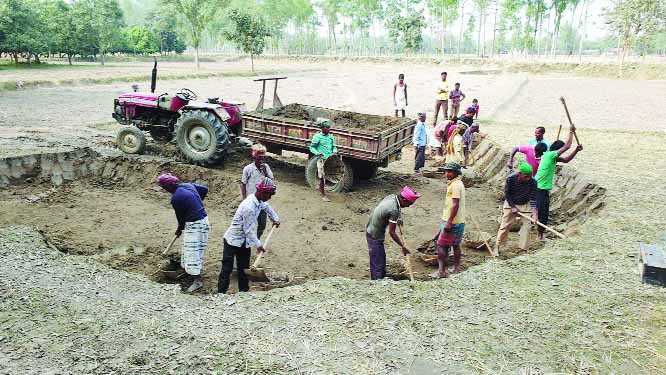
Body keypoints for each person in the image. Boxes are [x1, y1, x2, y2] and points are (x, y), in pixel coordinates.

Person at [218, 177, 280, 294]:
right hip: (232, 240)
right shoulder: (249, 207)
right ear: (261, 192)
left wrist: (275, 219)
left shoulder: (259, 200)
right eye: (269, 194)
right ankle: (220, 294)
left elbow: (267, 207)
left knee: (244, 269)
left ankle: (243, 293)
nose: (270, 197)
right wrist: (259, 245)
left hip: (244, 242)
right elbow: (248, 230)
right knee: (227, 269)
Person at [157, 173, 210, 293]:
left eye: (164, 187)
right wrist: (196, 203)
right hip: (203, 220)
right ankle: (188, 271)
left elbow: (181, 219)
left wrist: (179, 229)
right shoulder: (187, 185)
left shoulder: (176, 198)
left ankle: (197, 281)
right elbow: (205, 190)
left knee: (192, 251)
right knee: (190, 248)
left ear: (168, 186)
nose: (164, 190)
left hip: (195, 225)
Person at [534, 125, 583, 241]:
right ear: (557, 151)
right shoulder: (550, 155)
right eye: (559, 152)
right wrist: (571, 132)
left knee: (543, 213)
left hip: (541, 188)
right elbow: (567, 146)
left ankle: (540, 233)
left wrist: (576, 150)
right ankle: (540, 236)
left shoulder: (549, 156)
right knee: (542, 213)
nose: (560, 154)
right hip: (539, 189)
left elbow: (566, 160)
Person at [366, 186, 421, 280]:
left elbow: (397, 209)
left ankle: (382, 277)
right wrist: (403, 246)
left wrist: (398, 218)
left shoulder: (392, 197)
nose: (408, 206)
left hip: (372, 229)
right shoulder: (394, 210)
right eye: (409, 204)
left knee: (381, 257)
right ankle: (376, 282)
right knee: (377, 260)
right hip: (374, 234)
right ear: (404, 200)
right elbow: (392, 232)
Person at [493, 162, 538, 256]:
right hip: (511, 203)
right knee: (504, 225)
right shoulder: (510, 179)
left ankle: (523, 249)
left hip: (525, 204)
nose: (528, 179)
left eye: (529, 176)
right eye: (526, 176)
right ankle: (497, 246)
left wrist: (534, 214)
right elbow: (507, 194)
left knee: (527, 226)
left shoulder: (533, 182)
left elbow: (533, 198)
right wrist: (513, 207)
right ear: (520, 174)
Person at [433, 162, 466, 278]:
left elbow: (455, 205)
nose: (447, 173)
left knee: (442, 246)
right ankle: (455, 269)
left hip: (452, 221)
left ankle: (442, 271)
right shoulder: (457, 183)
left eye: (450, 171)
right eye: (446, 171)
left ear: (456, 173)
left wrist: (449, 222)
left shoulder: (455, 186)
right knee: (455, 245)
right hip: (457, 220)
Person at [241, 143, 274, 240]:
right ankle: (247, 240)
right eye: (259, 158)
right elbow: (243, 184)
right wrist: (244, 199)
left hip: (262, 201)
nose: (261, 160)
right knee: (249, 223)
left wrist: (265, 171)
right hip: (251, 201)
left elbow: (271, 180)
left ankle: (258, 239)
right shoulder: (248, 169)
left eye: (263, 157)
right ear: (254, 157)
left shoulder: (266, 167)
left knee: (262, 224)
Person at [309, 120, 338, 202]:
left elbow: (334, 146)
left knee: (328, 175)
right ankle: (323, 195)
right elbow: (312, 147)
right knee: (322, 177)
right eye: (327, 127)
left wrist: (335, 151)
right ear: (322, 128)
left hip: (330, 160)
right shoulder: (317, 137)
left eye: (329, 127)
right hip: (321, 160)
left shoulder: (331, 136)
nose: (329, 129)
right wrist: (317, 153)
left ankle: (321, 187)